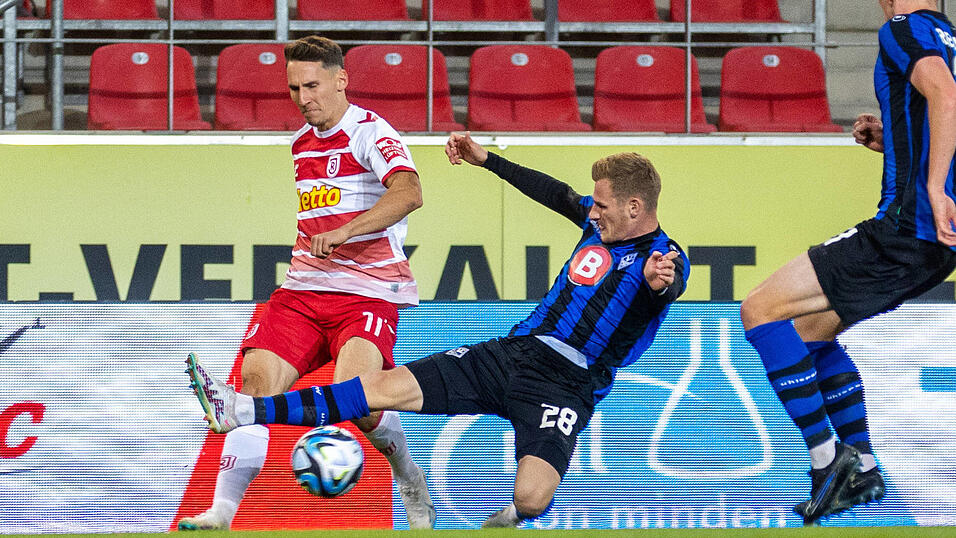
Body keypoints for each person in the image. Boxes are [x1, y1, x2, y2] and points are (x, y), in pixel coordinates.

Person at [186, 134, 689, 528]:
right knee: (375, 390)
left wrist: (659, 285)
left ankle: (506, 522)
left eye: (601, 204)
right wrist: (487, 159)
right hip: (514, 353)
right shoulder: (596, 222)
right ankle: (242, 409)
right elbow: (553, 192)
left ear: (635, 208)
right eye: (593, 203)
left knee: (532, 501)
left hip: (568, 385)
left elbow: (671, 285)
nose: (591, 209)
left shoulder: (664, 258)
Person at [178, 35, 435, 530]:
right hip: (302, 290)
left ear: (341, 81)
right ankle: (222, 513)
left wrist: (345, 230)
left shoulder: (369, 132)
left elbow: (409, 192)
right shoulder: (300, 143)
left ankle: (408, 475)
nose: (303, 98)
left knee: (354, 399)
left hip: (367, 290)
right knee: (251, 392)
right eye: (294, 88)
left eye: (312, 85)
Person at [740, 0, 956, 526]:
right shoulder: (949, 34)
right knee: (812, 329)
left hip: (906, 230)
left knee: (759, 309)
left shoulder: (904, 28)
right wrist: (896, 146)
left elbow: (946, 98)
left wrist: (930, 186)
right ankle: (863, 463)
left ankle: (828, 462)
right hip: (934, 242)